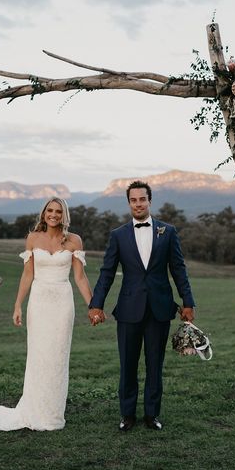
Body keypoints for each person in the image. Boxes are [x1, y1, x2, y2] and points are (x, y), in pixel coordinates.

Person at [0, 197, 92, 430]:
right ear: (44, 214)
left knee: (58, 357)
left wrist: (92, 306)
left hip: (63, 304)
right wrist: (17, 305)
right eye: (49, 210)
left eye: (58, 211)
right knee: (38, 356)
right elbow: (27, 275)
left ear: (64, 215)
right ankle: (35, 410)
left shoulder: (74, 240)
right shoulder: (32, 238)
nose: (53, 214)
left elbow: (80, 278)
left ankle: (53, 414)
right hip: (39, 302)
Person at [89, 180, 195, 432]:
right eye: (133, 200)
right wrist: (96, 304)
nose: (138, 203)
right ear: (129, 203)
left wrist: (188, 302)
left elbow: (179, 269)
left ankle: (151, 415)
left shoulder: (168, 232)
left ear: (149, 201)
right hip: (128, 310)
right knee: (128, 364)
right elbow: (106, 273)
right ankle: (127, 415)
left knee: (155, 365)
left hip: (160, 309)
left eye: (142, 199)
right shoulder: (118, 235)